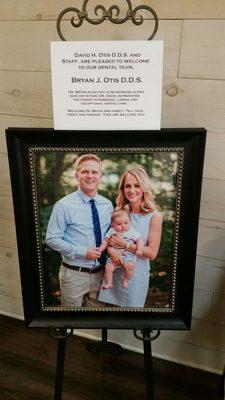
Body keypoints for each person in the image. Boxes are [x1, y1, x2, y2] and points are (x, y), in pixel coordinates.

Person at [45, 154, 113, 307]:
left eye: (94, 172)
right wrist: (82, 252)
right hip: (74, 275)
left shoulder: (107, 205)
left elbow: (110, 234)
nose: (90, 176)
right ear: (77, 175)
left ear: (100, 176)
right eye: (85, 171)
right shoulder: (64, 205)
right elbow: (51, 239)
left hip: (100, 274)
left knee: (95, 323)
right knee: (70, 321)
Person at [98, 166, 162, 308]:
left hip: (135, 277)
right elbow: (110, 239)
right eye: (127, 186)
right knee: (109, 321)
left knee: (129, 322)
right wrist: (111, 251)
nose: (132, 190)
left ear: (144, 187)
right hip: (113, 275)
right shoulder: (119, 211)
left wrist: (126, 245)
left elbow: (151, 254)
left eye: (136, 185)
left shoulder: (155, 216)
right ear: (122, 189)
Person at [98, 209, 144, 289]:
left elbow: (139, 240)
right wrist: (101, 249)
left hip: (127, 254)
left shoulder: (132, 231)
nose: (123, 226)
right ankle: (109, 282)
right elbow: (105, 241)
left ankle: (126, 280)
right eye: (119, 224)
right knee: (108, 268)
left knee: (130, 266)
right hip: (114, 255)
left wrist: (139, 249)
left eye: (126, 223)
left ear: (130, 221)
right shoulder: (111, 231)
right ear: (113, 225)